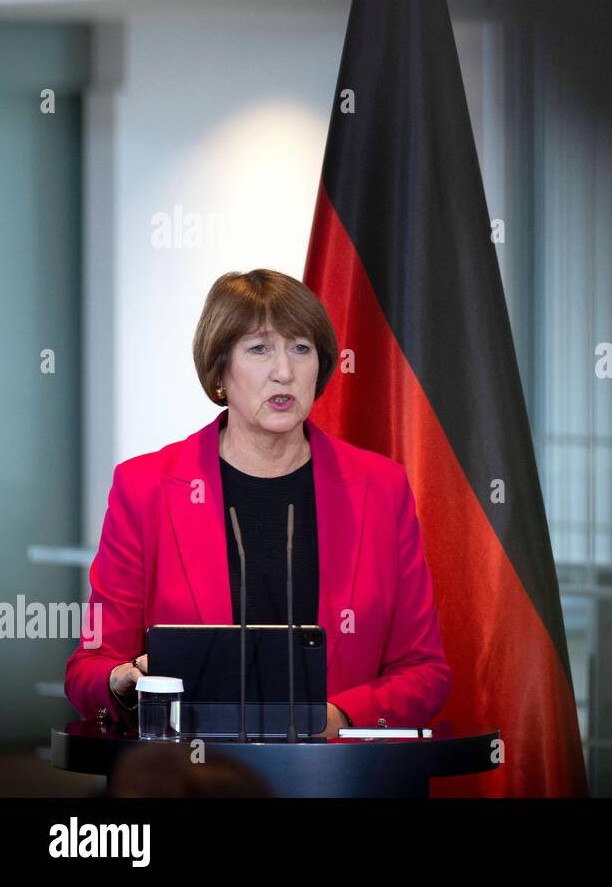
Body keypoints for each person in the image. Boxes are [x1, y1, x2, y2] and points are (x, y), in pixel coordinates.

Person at [64, 269, 452, 737]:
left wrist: (337, 718)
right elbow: (90, 668)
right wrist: (123, 682)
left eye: (300, 348)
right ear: (220, 368)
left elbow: (425, 672)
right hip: (196, 777)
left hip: (339, 775)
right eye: (259, 349)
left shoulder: (381, 487)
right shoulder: (145, 486)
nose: (284, 371)